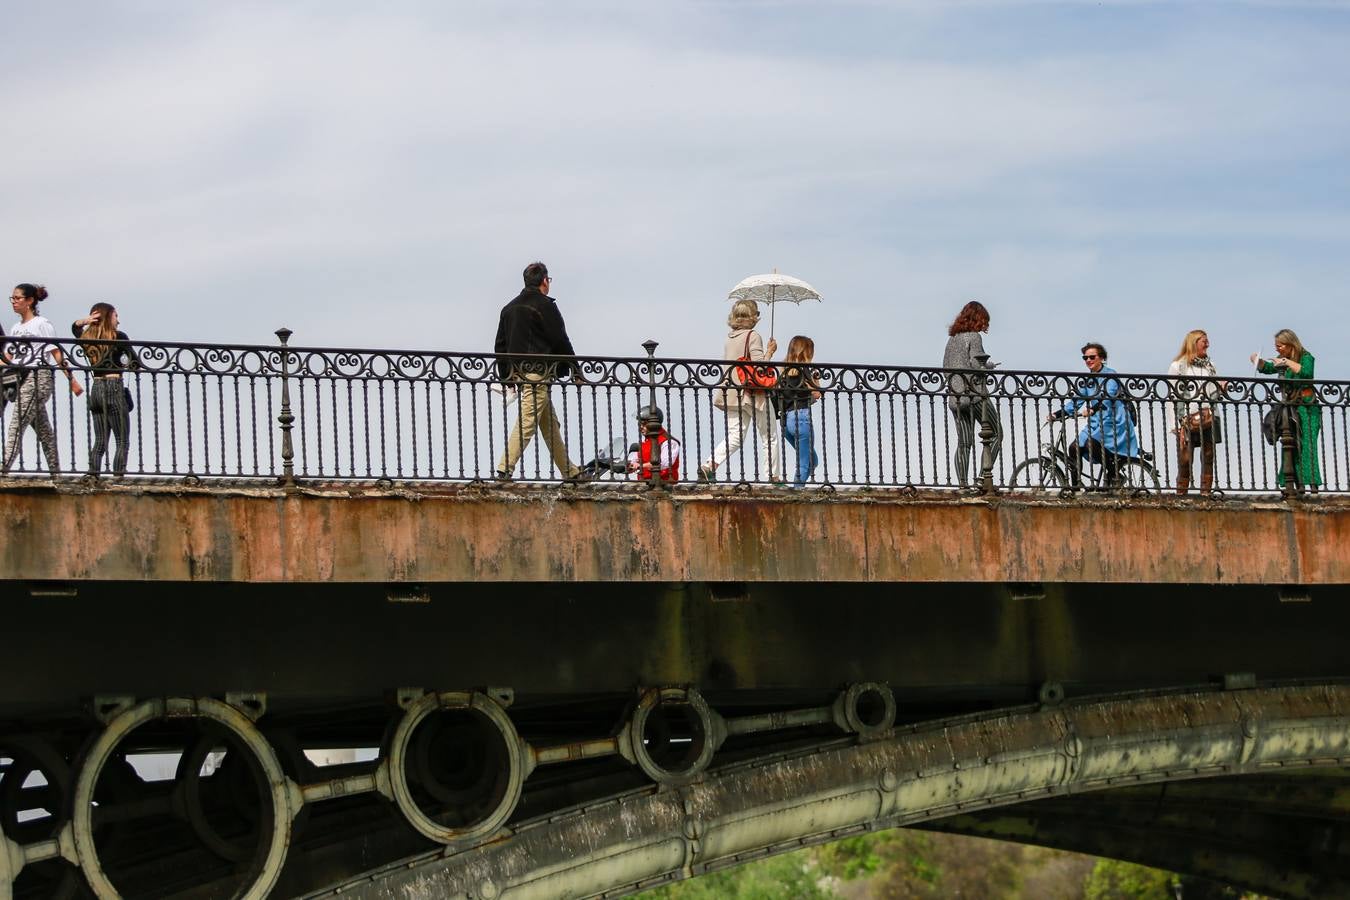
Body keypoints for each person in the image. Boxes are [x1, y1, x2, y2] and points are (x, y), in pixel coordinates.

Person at [493, 262, 586, 482]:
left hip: (520, 373)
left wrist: (507, 377)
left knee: (550, 425)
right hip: (538, 374)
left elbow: (500, 346)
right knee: (527, 422)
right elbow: (560, 339)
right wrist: (575, 369)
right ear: (544, 281)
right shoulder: (544, 306)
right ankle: (504, 469)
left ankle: (570, 472)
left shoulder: (509, 308)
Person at [698, 299, 782, 483]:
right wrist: (770, 352)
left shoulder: (730, 337)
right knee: (769, 436)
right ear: (752, 316)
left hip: (731, 393)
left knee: (735, 436)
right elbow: (760, 367)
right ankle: (772, 476)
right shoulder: (753, 336)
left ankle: (709, 465)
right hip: (752, 392)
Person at [2, 284, 83, 475]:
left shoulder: (41, 324)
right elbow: (9, 357)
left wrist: (72, 380)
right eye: (12, 298)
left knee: (16, 424)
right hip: (20, 379)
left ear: (30, 301)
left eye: (17, 298)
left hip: (38, 377)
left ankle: (2, 470)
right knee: (44, 432)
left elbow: (56, 353)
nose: (13, 302)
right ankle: (57, 475)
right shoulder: (15, 328)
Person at [1049, 342, 1140, 489]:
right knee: (1074, 448)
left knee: (1091, 444)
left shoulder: (1110, 374)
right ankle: (1075, 487)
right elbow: (1077, 400)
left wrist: (1093, 409)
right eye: (1085, 358)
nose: (1088, 360)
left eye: (1092, 357)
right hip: (1096, 422)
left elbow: (1108, 395)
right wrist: (1058, 414)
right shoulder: (1088, 380)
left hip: (1114, 421)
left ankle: (1115, 475)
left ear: (1102, 358)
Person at [72, 303, 139, 477]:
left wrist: (84, 321)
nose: (119, 320)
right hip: (113, 386)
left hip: (96, 388)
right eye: (116, 316)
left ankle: (92, 476)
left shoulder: (88, 338)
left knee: (100, 441)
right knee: (122, 440)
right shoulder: (120, 337)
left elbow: (75, 328)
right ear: (109, 317)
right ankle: (118, 479)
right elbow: (136, 364)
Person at [943, 300, 1002, 489]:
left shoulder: (951, 340)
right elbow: (978, 364)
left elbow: (946, 367)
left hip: (956, 398)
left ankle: (963, 485)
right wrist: (990, 366)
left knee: (964, 443)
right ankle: (982, 479)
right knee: (996, 433)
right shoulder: (974, 337)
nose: (986, 325)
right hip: (975, 395)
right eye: (985, 321)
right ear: (978, 319)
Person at [1251, 329, 1320, 490]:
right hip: (1292, 409)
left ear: (1290, 344)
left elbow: (1307, 373)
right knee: (1292, 445)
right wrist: (1257, 361)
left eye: (1280, 345)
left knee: (1308, 445)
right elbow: (1268, 368)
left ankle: (1313, 485)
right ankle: (1298, 485)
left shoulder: (1306, 357)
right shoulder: (1286, 359)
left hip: (1308, 408)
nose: (1277, 349)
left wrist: (1287, 362)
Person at [1167, 329, 1224, 496]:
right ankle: (1181, 494)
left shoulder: (1210, 366)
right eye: (1204, 341)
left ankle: (1205, 493)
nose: (1207, 344)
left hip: (1209, 415)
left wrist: (1221, 388)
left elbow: (1214, 393)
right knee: (1185, 458)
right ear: (1194, 343)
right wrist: (1174, 425)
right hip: (1186, 417)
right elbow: (1172, 396)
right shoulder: (1178, 366)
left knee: (1208, 454)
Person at [775, 335, 821, 487]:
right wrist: (816, 379)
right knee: (804, 461)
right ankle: (797, 491)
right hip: (801, 417)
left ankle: (797, 487)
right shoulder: (804, 370)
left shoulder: (782, 371)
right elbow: (817, 394)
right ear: (806, 352)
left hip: (787, 421)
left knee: (812, 460)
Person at [627, 405, 681, 483]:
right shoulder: (645, 442)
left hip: (664, 484)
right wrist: (629, 466)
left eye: (644, 424)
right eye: (640, 424)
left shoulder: (668, 442)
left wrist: (640, 466)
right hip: (644, 484)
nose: (641, 427)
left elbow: (664, 463)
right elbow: (634, 460)